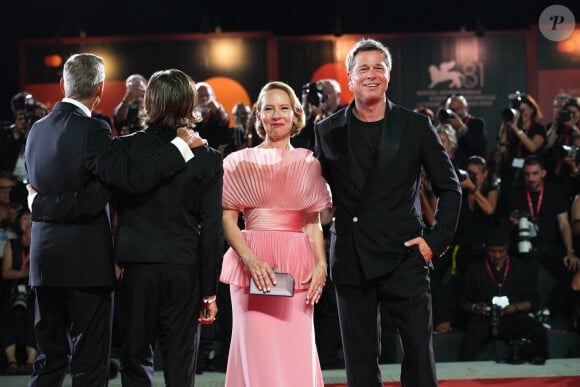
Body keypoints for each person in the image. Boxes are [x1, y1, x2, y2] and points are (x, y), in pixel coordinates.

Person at [30, 68, 224, 386]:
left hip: (135, 269)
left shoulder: (124, 148)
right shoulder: (208, 158)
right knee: (180, 363)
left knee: (135, 361)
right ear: (190, 104)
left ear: (149, 102)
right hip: (183, 270)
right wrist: (208, 292)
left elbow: (104, 201)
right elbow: (212, 231)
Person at [314, 38, 461, 387]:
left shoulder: (415, 126)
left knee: (419, 357)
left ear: (389, 76)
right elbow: (314, 195)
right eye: (363, 68)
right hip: (351, 257)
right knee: (360, 363)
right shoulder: (327, 130)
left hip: (405, 255)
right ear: (349, 78)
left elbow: (450, 188)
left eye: (379, 67)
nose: (371, 74)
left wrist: (433, 241)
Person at [219, 81, 332, 386]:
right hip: (250, 269)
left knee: (296, 354)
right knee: (257, 355)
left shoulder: (309, 163)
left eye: (284, 108)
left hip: (299, 269)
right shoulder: (237, 162)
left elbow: (312, 223)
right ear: (259, 115)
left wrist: (321, 265)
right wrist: (252, 261)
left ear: (296, 115)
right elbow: (228, 221)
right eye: (269, 108)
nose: (276, 115)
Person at [507, 155, 580, 327]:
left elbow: (564, 225)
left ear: (544, 173)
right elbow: (505, 226)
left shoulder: (554, 192)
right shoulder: (516, 194)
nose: (530, 178)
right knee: (527, 268)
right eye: (527, 174)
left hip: (549, 246)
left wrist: (570, 251)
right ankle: (530, 311)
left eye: (535, 173)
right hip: (524, 247)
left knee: (572, 266)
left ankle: (548, 310)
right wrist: (511, 223)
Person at [459, 227, 548, 364]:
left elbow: (533, 301)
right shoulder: (475, 269)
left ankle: (536, 361)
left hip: (512, 316)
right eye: (493, 251)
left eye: (501, 251)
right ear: (486, 249)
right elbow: (463, 301)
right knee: (473, 332)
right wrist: (475, 307)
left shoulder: (519, 267)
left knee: (538, 330)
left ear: (507, 249)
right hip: (485, 318)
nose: (497, 255)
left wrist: (517, 307)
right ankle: (465, 369)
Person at [1, 210, 36, 375]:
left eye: (30, 218)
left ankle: (31, 361)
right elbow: (6, 272)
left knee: (34, 312)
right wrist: (24, 273)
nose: (27, 221)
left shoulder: (40, 242)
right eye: (24, 218)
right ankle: (12, 361)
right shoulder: (11, 244)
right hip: (15, 289)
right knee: (7, 311)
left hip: (34, 290)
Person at [439, 94, 488, 169]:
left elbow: (479, 147)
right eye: (451, 110)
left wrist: (461, 127)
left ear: (466, 108)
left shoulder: (476, 123)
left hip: (468, 168)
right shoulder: (445, 126)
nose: (454, 113)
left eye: (457, 109)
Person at [195, 82, 230, 153]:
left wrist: (217, 110)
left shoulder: (218, 112)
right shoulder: (190, 115)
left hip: (216, 155)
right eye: (200, 96)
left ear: (212, 97)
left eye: (207, 95)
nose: (204, 98)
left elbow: (225, 121)